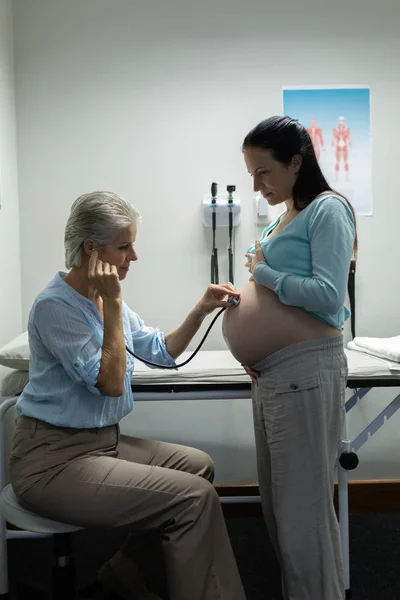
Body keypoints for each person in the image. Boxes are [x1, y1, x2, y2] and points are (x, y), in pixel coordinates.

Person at [9, 191, 246, 600]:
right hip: (51, 462)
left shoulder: (103, 300)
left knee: (199, 468)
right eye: (124, 246)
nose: (133, 256)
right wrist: (114, 302)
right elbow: (111, 383)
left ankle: (125, 568)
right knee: (194, 499)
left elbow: (160, 350)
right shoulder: (55, 306)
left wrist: (201, 308)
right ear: (91, 249)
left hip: (102, 444)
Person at [222, 116, 356, 600]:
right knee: (279, 508)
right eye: (251, 174)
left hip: (306, 372)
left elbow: (326, 296)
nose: (256, 186)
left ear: (296, 162)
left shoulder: (328, 210)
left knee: (304, 513)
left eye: (263, 173)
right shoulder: (285, 215)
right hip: (274, 375)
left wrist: (264, 274)